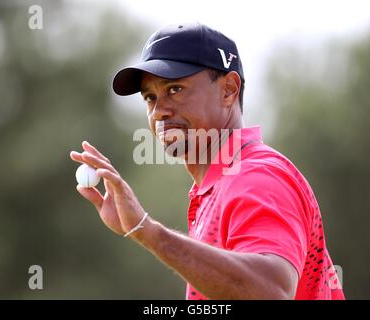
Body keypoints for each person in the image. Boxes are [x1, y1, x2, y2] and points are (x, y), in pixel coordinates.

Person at [70, 22, 345, 300]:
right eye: (150, 97)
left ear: (228, 90)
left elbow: (272, 291)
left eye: (175, 89)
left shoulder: (255, 176)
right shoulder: (218, 185)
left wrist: (148, 231)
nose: (158, 112)